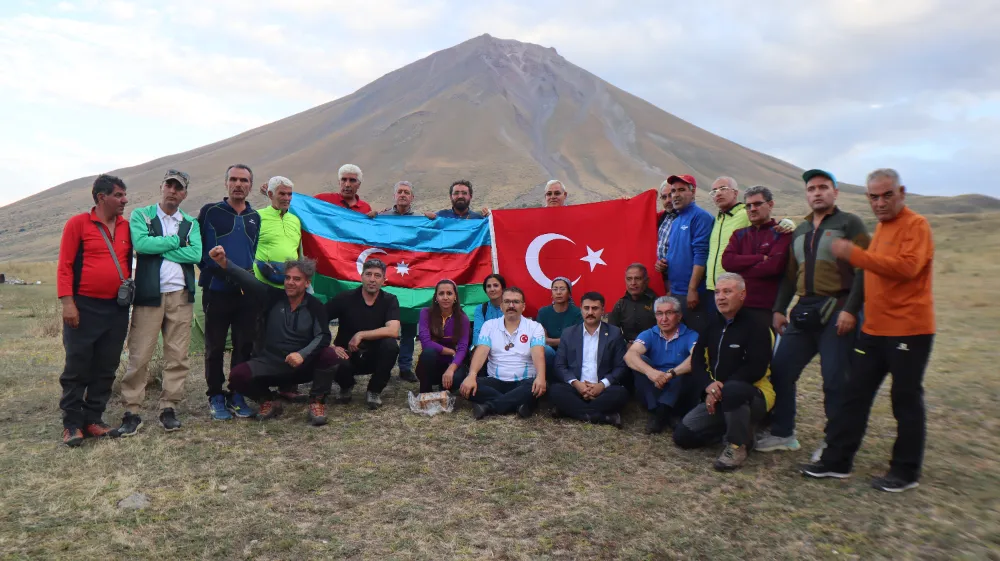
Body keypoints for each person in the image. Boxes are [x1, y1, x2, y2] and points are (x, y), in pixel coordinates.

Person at [802, 169, 936, 493]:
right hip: (874, 330)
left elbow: (907, 268)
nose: (880, 202)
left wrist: (855, 255)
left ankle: (905, 472)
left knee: (904, 400)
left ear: (901, 192)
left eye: (886, 194)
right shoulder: (881, 227)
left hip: (908, 330)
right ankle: (837, 461)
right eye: (873, 196)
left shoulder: (915, 225)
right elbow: (873, 272)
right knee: (854, 394)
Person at [757, 169, 870, 458]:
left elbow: (865, 271)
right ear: (806, 194)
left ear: (835, 192)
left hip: (839, 310)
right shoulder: (801, 229)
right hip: (805, 310)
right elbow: (789, 275)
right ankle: (783, 433)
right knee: (780, 371)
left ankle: (835, 444)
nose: (817, 193)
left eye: (823, 187)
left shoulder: (849, 223)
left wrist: (852, 310)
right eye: (812, 189)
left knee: (835, 380)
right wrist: (779, 309)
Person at [206, 247, 339, 426]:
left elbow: (323, 336)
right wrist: (224, 263)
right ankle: (268, 400)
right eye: (287, 278)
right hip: (272, 363)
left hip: (303, 365)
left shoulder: (315, 306)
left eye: (297, 279)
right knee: (238, 376)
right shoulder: (273, 297)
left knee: (329, 355)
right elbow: (249, 281)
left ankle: (317, 402)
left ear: (307, 283)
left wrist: (302, 354)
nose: (290, 282)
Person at [117, 169, 202, 436]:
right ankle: (132, 410)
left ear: (184, 193)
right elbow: (141, 244)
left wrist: (162, 245)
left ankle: (169, 407)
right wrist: (176, 241)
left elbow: (196, 253)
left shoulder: (190, 222)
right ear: (162, 187)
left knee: (177, 355)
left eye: (179, 188)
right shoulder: (142, 215)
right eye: (170, 185)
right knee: (139, 354)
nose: (173, 191)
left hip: (181, 295)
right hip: (148, 295)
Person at [56, 174, 132, 446]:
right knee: (78, 366)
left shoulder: (126, 227)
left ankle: (94, 420)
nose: (125, 200)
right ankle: (72, 424)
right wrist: (68, 302)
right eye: (119, 195)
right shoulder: (78, 224)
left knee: (106, 365)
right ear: (102, 197)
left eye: (124, 195)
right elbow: (64, 265)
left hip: (117, 308)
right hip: (84, 306)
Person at [672, 273, 776, 472]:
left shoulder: (758, 326)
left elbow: (756, 368)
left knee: (734, 390)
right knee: (683, 437)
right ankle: (740, 432)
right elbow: (697, 361)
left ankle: (737, 445)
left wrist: (721, 389)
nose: (720, 297)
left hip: (754, 396)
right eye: (718, 292)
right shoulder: (711, 324)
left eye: (728, 292)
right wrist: (709, 387)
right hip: (718, 395)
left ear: (742, 295)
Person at [197, 164, 261, 421]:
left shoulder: (255, 216)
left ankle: (237, 393)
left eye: (244, 180)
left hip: (245, 292)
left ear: (250, 186)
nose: (238, 184)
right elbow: (200, 252)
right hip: (216, 289)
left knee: (244, 345)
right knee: (214, 346)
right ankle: (215, 394)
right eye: (233, 179)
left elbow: (251, 252)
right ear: (226, 184)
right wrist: (217, 268)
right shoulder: (210, 211)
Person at [325, 258, 401, 409]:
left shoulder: (390, 300)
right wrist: (329, 346)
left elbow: (393, 330)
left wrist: (361, 334)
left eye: (377, 276)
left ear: (384, 280)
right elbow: (319, 320)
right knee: (332, 356)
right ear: (361, 276)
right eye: (368, 274)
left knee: (391, 346)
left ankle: (374, 391)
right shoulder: (344, 298)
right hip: (346, 355)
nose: (372, 279)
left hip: (374, 356)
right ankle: (346, 387)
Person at [460, 287, 547, 419]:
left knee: (535, 386)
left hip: (524, 382)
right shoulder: (489, 325)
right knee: (468, 385)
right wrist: (472, 375)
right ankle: (520, 404)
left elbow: (538, 354)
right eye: (507, 301)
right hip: (496, 381)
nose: (511, 305)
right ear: (501, 306)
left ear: (523, 306)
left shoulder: (534, 327)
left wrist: (541, 377)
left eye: (516, 302)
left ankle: (489, 406)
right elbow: (481, 351)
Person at [550, 292, 630, 427]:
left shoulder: (614, 333)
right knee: (555, 390)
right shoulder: (569, 333)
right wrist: (577, 384)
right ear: (581, 309)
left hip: (603, 389)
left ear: (603, 310)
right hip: (575, 388)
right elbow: (559, 365)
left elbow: (621, 367)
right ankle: (604, 417)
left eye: (595, 308)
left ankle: (569, 411)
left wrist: (602, 385)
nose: (590, 312)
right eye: (586, 308)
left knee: (620, 393)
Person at [624, 296, 702, 433]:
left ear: (679, 316)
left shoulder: (691, 335)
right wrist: (651, 372)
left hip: (680, 391)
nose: (664, 319)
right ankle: (664, 412)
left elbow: (697, 358)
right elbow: (629, 356)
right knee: (639, 360)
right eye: (659, 314)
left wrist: (671, 373)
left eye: (669, 313)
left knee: (686, 366)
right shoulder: (649, 334)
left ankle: (661, 414)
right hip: (654, 388)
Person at [720, 185, 793, 325]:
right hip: (738, 308)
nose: (752, 209)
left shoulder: (782, 234)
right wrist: (759, 258)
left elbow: (773, 267)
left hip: (767, 310)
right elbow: (727, 262)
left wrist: (741, 269)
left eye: (758, 204)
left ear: (770, 204)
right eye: (748, 206)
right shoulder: (739, 234)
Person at [373, 181, 419, 382]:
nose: (403, 195)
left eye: (406, 192)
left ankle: (405, 367)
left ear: (412, 197)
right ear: (394, 196)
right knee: (383, 327)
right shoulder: (381, 218)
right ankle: (379, 365)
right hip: (388, 281)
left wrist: (433, 220)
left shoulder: (420, 220)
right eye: (399, 192)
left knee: (409, 328)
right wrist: (369, 219)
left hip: (412, 282)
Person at [663, 174, 714, 333]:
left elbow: (701, 254)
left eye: (681, 190)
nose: (675, 195)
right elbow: (676, 254)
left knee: (698, 340)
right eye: (673, 191)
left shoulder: (701, 217)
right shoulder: (677, 220)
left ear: (693, 192)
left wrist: (692, 289)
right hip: (676, 292)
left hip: (693, 295)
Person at [607, 263, 658, 393]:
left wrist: (640, 346)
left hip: (652, 349)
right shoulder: (620, 304)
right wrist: (625, 344)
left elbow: (664, 332)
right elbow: (611, 332)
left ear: (646, 281)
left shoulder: (658, 303)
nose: (633, 283)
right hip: (626, 348)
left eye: (638, 279)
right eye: (629, 279)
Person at [415, 280, 471, 393]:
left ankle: (445, 387)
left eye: (449, 293)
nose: (445, 297)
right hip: (430, 363)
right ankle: (425, 393)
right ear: (436, 297)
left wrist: (451, 369)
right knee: (429, 352)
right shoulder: (425, 313)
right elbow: (426, 343)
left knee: (456, 380)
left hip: (451, 363)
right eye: (441, 293)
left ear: (455, 297)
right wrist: (450, 351)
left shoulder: (463, 318)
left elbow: (462, 348)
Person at [705, 177, 750, 301]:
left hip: (735, 289)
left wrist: (786, 223)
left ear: (735, 192)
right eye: (714, 191)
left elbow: (767, 226)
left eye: (723, 189)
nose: (718, 193)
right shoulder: (718, 219)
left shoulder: (746, 214)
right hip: (713, 288)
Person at [253, 176, 301, 288]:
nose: (287, 198)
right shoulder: (256, 216)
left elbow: (298, 251)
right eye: (282, 194)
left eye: (289, 194)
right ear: (270, 194)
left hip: (289, 286)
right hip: (262, 284)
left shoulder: (295, 220)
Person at [537, 277, 583, 379]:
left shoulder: (578, 313)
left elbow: (576, 340)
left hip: (570, 352)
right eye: (555, 289)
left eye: (562, 289)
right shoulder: (543, 312)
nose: (558, 292)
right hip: (550, 353)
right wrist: (565, 340)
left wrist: (553, 341)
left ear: (569, 293)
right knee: (545, 350)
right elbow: (542, 340)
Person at [653, 180, 678, 288]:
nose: (668, 200)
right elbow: (640, 219)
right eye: (664, 197)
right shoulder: (662, 216)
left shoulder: (687, 219)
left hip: (676, 279)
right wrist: (627, 204)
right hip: (658, 278)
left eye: (671, 195)